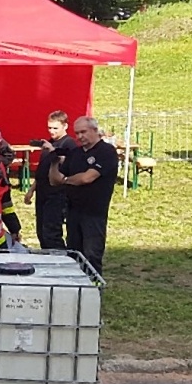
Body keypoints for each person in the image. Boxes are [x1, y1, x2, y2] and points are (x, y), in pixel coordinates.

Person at [51, 117, 118, 275]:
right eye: (77, 133)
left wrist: (67, 180)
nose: (80, 136)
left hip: (94, 212)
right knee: (74, 253)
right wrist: (53, 162)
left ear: (95, 130)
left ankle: (94, 290)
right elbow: (54, 181)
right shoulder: (76, 153)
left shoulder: (106, 151)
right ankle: (76, 288)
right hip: (73, 210)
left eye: (83, 132)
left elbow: (87, 178)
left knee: (92, 254)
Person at [21, 110, 73, 250]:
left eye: (55, 128)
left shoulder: (69, 144)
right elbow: (42, 171)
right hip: (42, 192)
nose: (52, 131)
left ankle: (62, 260)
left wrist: (53, 151)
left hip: (58, 193)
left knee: (52, 232)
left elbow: (68, 162)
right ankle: (48, 257)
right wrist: (31, 190)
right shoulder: (48, 143)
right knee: (42, 232)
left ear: (65, 126)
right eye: (49, 128)